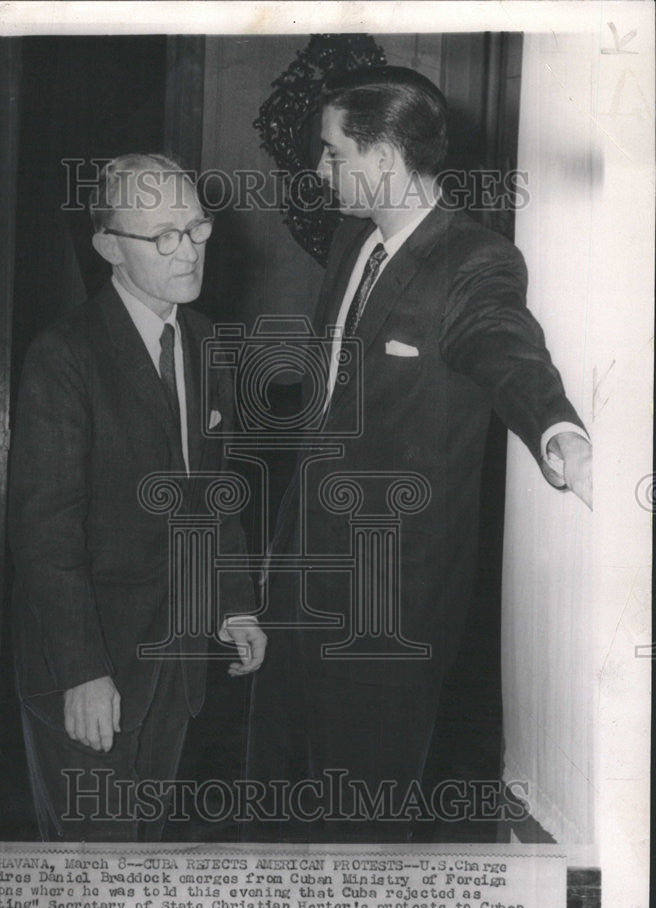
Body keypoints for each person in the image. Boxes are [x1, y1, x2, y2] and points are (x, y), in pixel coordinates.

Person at [246, 66, 592, 841]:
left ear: (384, 156)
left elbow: (504, 347)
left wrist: (557, 430)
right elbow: (324, 412)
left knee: (363, 822)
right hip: (305, 579)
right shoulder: (349, 242)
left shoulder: (475, 259)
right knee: (287, 805)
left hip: (389, 602)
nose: (320, 169)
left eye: (333, 152)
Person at [9, 153, 266, 841]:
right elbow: (46, 531)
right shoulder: (64, 357)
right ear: (108, 248)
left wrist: (235, 604)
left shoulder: (207, 342)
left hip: (176, 666)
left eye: (196, 229)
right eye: (162, 237)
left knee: (139, 859)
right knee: (93, 879)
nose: (187, 253)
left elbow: (217, 494)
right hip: (93, 670)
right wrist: (82, 672)